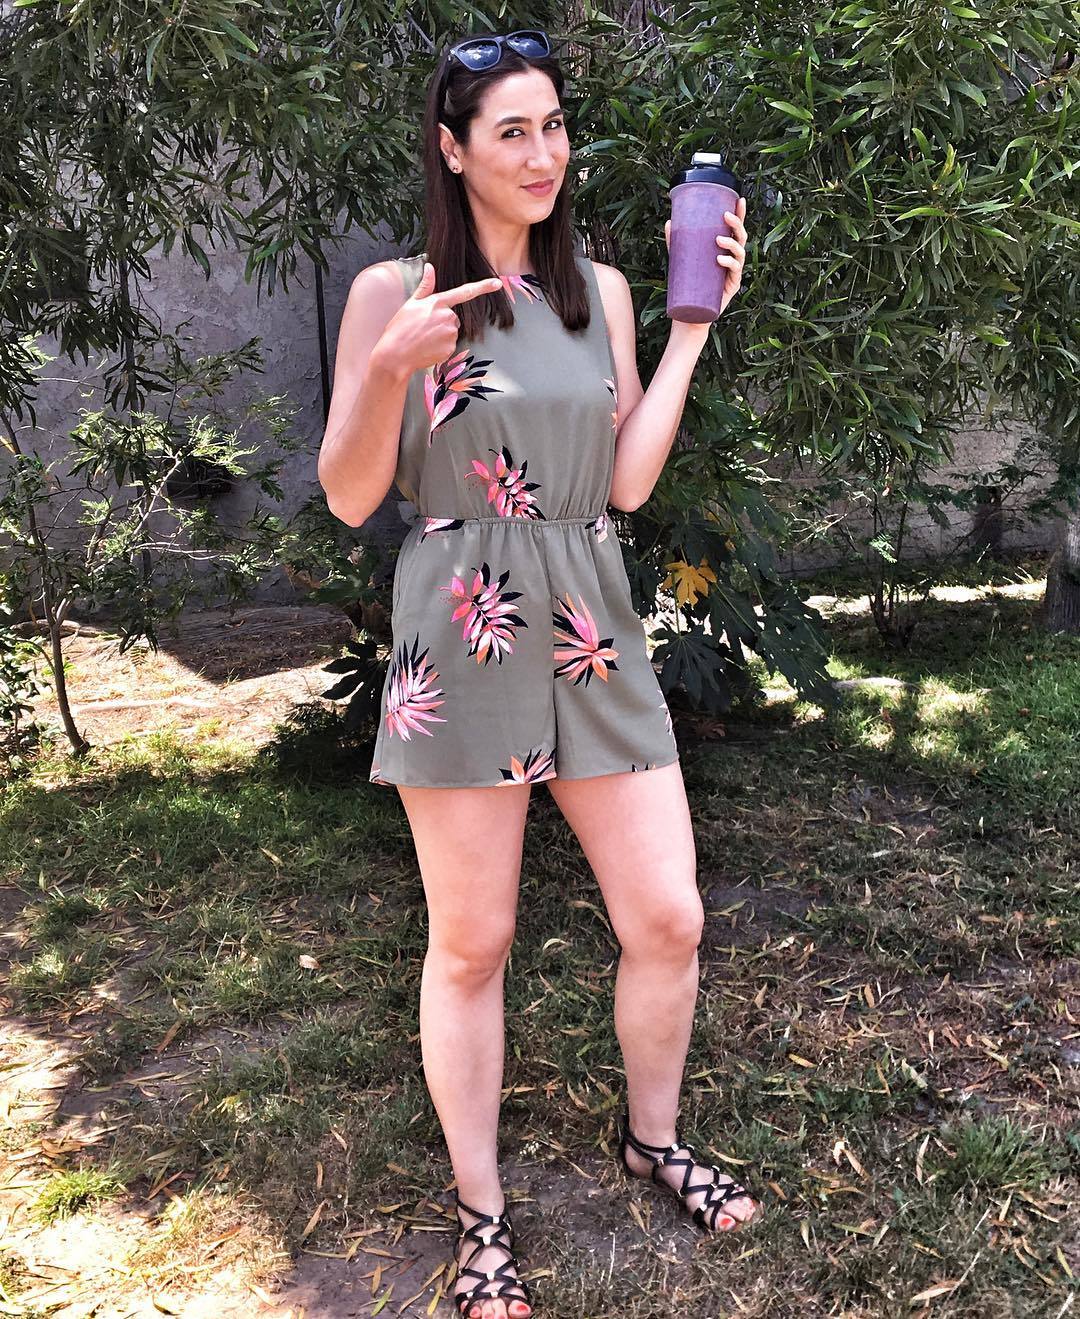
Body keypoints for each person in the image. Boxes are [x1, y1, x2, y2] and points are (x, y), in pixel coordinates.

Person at [318, 27, 755, 1319]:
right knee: (475, 942)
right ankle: (482, 1215)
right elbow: (349, 496)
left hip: (591, 613)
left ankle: (653, 1139)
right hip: (460, 621)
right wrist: (387, 371)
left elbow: (624, 484)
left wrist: (690, 333)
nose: (542, 152)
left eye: (554, 125)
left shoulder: (598, 291)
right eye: (511, 130)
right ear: (453, 152)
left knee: (668, 915)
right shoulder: (393, 293)